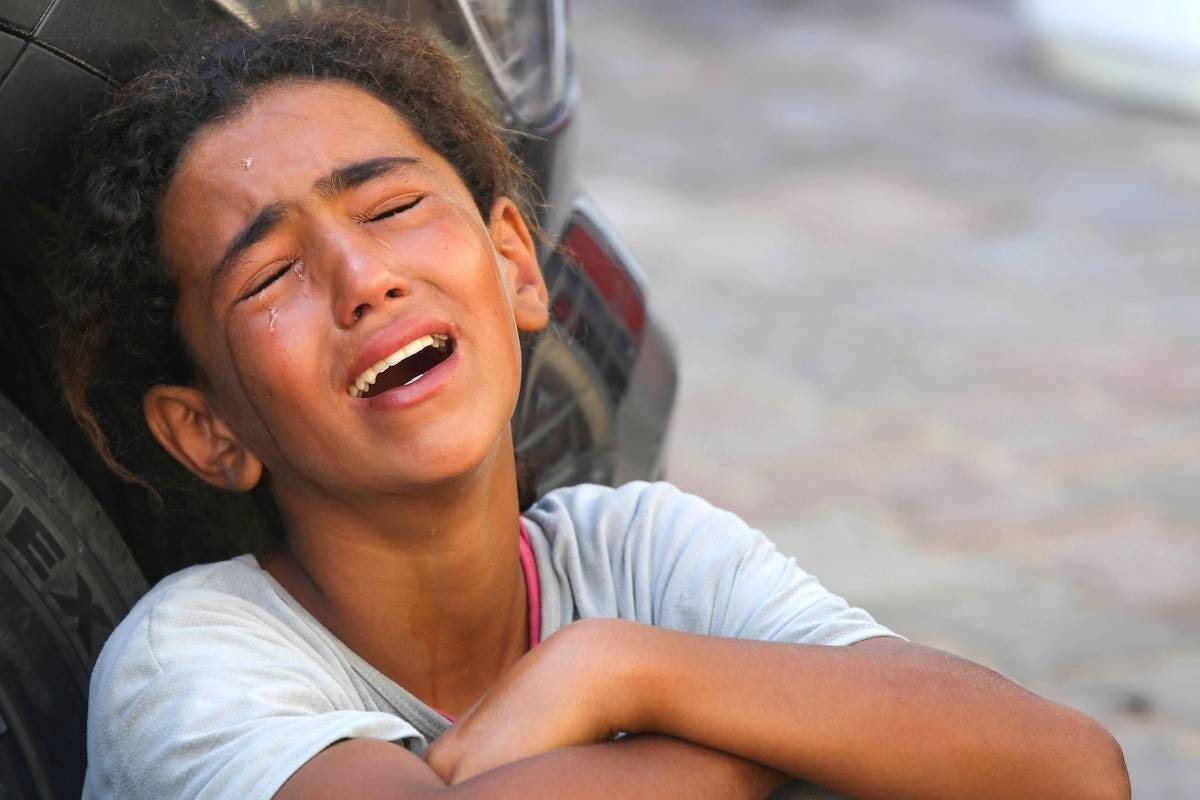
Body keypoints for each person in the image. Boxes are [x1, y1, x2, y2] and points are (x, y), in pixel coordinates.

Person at [53, 9, 1129, 800]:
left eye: (391, 204)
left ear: (516, 262)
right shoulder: (189, 665)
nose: (363, 277)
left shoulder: (640, 555)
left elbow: (1071, 768)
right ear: (208, 427)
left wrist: (622, 668)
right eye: (270, 274)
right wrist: (779, 735)